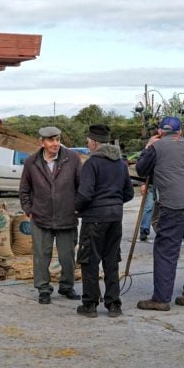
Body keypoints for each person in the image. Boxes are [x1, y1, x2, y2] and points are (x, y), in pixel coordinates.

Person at [134, 116, 184, 311]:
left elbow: (141, 169)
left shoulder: (156, 147)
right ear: (180, 132)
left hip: (174, 203)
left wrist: (148, 147)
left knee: (166, 251)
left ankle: (161, 299)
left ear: (159, 132)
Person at [73, 124, 134, 317]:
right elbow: (129, 193)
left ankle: (90, 304)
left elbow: (85, 193)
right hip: (115, 218)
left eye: (88, 142)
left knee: (89, 260)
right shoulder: (120, 163)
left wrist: (76, 207)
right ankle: (114, 304)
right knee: (111, 260)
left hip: (95, 219)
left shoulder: (92, 163)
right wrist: (114, 204)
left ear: (93, 143)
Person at [19, 126, 81, 304]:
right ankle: (43, 289)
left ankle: (67, 286)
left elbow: (82, 186)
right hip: (41, 217)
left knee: (67, 256)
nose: (55, 143)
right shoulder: (31, 162)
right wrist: (29, 210)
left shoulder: (72, 159)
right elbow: (24, 190)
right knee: (41, 255)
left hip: (67, 217)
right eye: (51, 140)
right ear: (42, 142)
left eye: (57, 139)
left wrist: (77, 208)